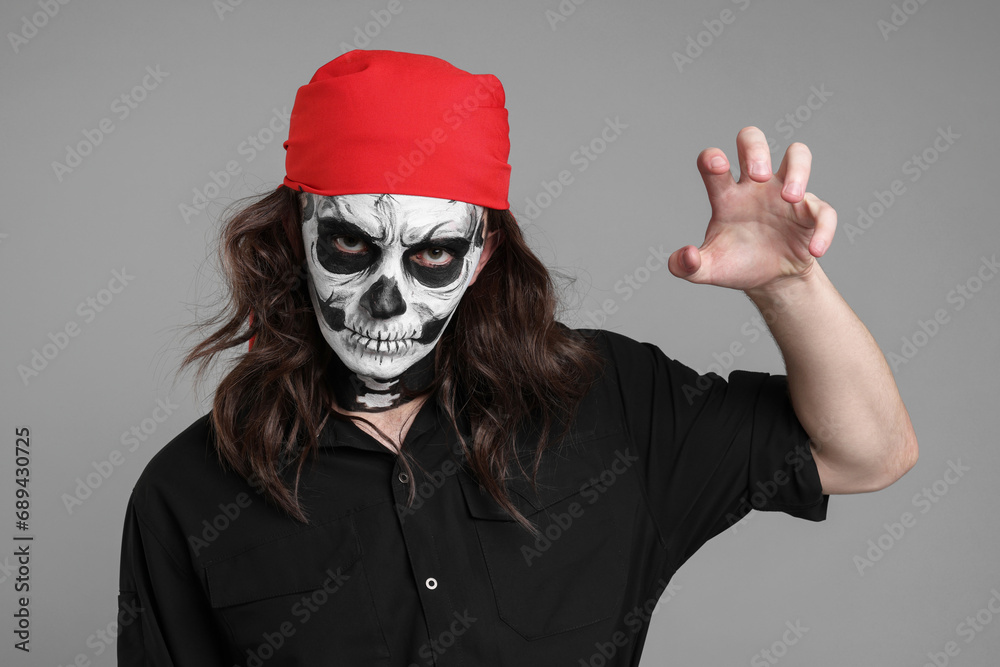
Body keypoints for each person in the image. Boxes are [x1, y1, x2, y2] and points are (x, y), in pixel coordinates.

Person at [117, 49, 918, 666]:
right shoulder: (188, 494)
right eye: (352, 243)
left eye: (430, 255)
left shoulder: (614, 407)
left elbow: (871, 451)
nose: (385, 300)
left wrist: (789, 283)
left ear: (481, 256)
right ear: (298, 238)